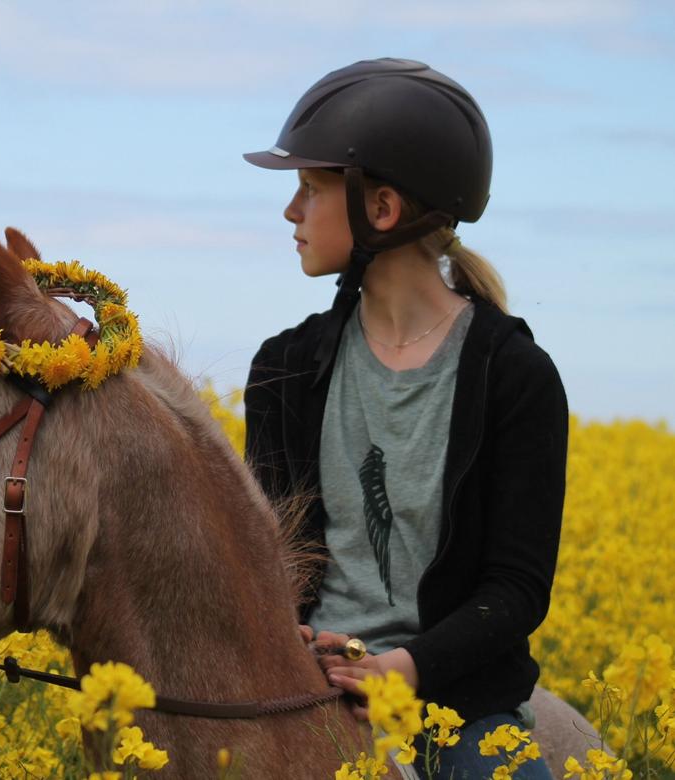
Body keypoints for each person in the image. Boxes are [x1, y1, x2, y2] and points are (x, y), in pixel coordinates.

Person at [242, 58, 567, 778]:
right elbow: (275, 556)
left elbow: (516, 589)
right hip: (304, 689)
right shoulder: (282, 370)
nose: (290, 213)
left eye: (309, 188)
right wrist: (285, 627)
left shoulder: (515, 376)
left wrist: (404, 667)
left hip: (459, 709)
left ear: (380, 209)